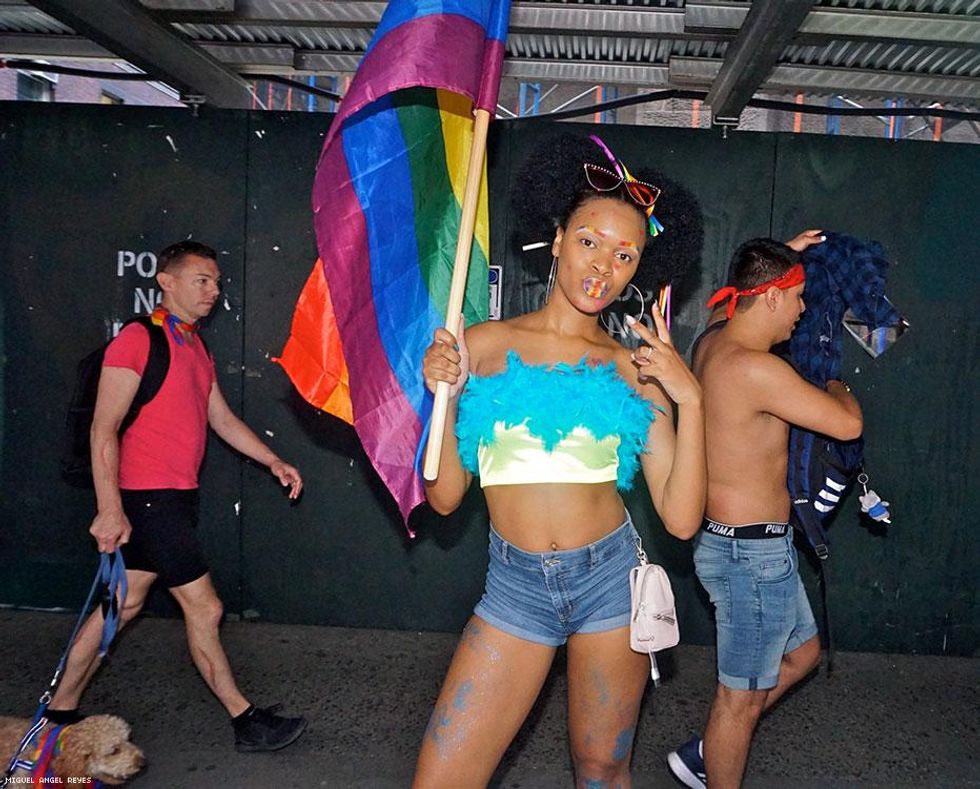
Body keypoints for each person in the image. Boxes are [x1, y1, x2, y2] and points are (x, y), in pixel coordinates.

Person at [415, 135, 707, 787]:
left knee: (602, 768)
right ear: (556, 240)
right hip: (514, 589)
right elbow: (444, 498)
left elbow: (682, 520)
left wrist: (691, 400)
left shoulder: (635, 370)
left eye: (625, 254)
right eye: (589, 241)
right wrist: (444, 394)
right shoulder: (479, 346)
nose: (603, 265)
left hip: (609, 584)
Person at [46, 241, 308, 753]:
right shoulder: (136, 340)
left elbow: (221, 418)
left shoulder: (193, 346)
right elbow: (103, 428)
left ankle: (59, 710)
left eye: (216, 283)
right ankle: (245, 720)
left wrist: (272, 461)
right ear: (166, 282)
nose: (213, 291)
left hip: (174, 498)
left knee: (123, 604)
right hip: (148, 500)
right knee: (204, 608)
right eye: (201, 280)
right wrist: (109, 508)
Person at [667, 236, 863, 789]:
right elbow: (847, 424)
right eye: (798, 296)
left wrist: (785, 250)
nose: (803, 309)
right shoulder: (756, 369)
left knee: (802, 654)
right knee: (739, 702)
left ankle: (706, 752)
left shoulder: (711, 341)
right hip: (748, 558)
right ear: (772, 298)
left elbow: (743, 285)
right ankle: (717, 754)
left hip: (748, 548)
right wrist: (836, 381)